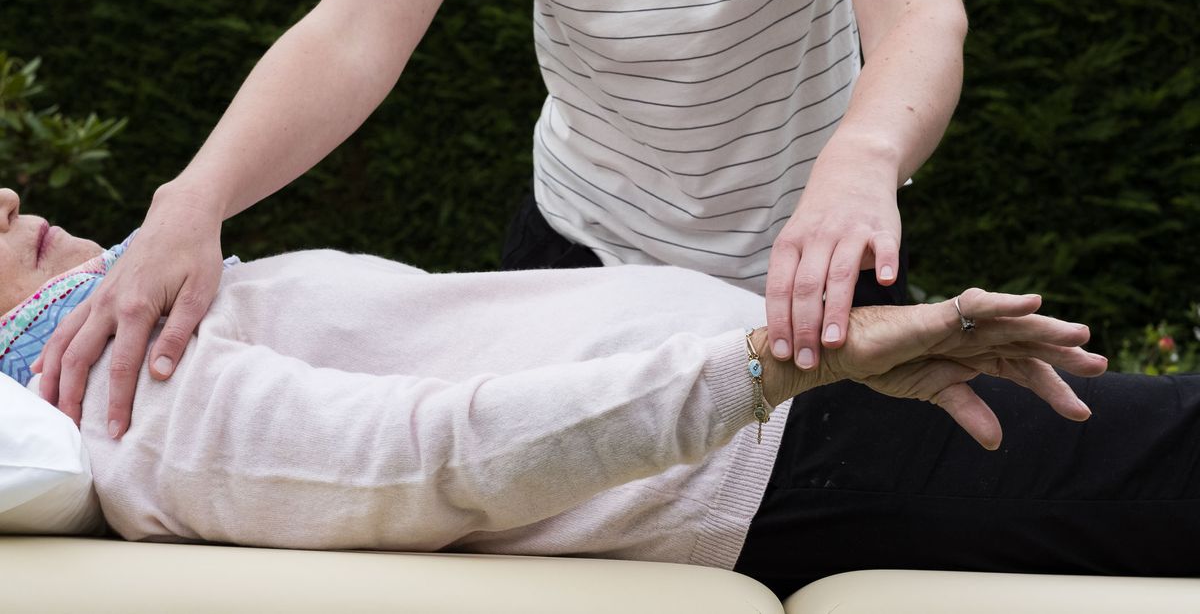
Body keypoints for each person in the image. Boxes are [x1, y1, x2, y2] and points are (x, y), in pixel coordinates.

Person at [3, 189, 1198, 598]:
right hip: (786, 447)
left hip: (794, 410)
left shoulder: (132, 330)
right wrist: (787, 365)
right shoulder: (135, 405)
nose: (5, 204)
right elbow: (442, 457)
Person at [33, 0, 970, 437]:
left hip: (809, 265)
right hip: (577, 257)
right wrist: (195, 195)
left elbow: (921, 15)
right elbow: (354, 33)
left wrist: (865, 156)